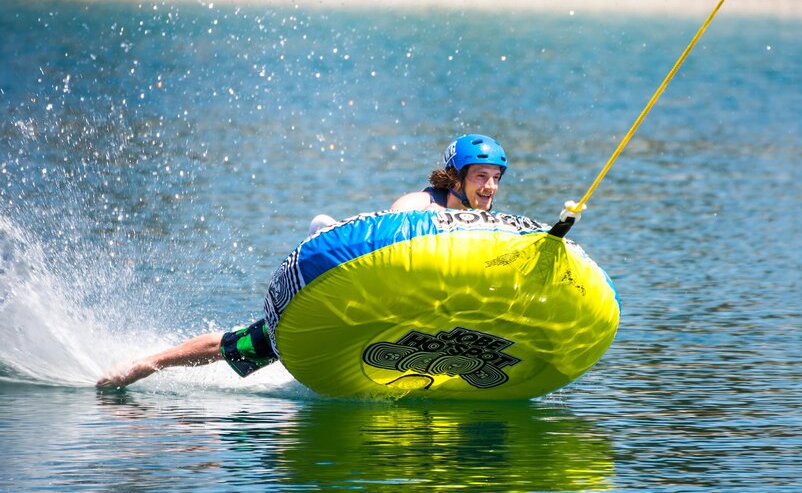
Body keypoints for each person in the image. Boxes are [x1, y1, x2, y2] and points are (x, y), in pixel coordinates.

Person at [96, 134, 509, 389]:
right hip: (359, 299)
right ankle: (150, 362)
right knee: (251, 344)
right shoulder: (420, 205)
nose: (490, 187)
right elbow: (401, 236)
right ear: (455, 177)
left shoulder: (487, 220)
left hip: (411, 315)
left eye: (495, 178)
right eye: (480, 177)